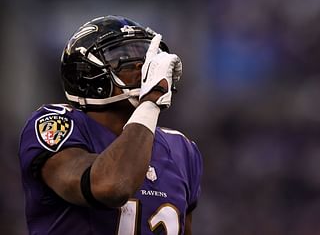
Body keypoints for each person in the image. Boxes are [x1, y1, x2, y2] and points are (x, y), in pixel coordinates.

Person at [18, 15, 202, 234]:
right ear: (88, 75)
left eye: (145, 55)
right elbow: (113, 186)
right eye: (123, 56)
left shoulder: (181, 149)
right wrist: (151, 100)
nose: (141, 64)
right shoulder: (57, 123)